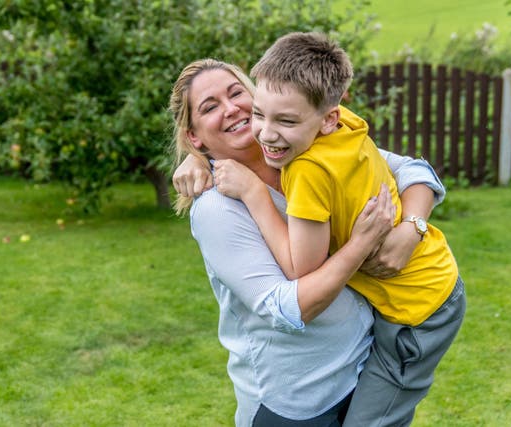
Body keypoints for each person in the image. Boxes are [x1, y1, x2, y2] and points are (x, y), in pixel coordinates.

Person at [169, 58, 446, 427]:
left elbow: (413, 170)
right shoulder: (218, 208)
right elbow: (287, 309)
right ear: (194, 137)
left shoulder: (305, 146)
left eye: (237, 93)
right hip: (298, 400)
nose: (231, 108)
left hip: (364, 366)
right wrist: (361, 244)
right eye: (210, 107)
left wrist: (411, 228)